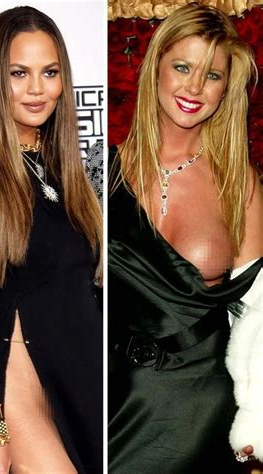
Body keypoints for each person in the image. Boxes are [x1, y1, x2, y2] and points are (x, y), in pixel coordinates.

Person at [0, 6, 103, 474]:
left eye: (49, 72)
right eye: (19, 73)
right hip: (20, 383)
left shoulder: (64, 169)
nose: (37, 89)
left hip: (81, 385)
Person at [108, 3, 263, 473]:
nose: (194, 88)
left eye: (212, 76)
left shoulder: (240, 183)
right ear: (155, 67)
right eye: (182, 67)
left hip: (199, 406)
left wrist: (256, 421)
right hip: (108, 398)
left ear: (226, 91)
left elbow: (258, 317)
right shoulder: (96, 170)